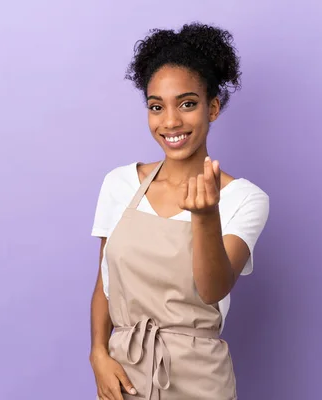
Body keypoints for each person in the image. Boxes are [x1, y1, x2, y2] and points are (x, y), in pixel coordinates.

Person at [89, 22, 269, 400]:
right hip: (125, 377)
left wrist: (206, 217)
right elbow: (105, 280)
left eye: (187, 103)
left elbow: (213, 289)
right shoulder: (119, 184)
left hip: (200, 379)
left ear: (213, 107)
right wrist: (98, 353)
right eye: (157, 107)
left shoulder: (245, 199)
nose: (170, 121)